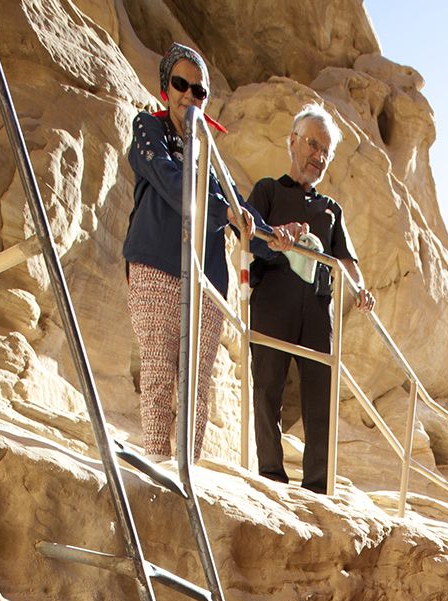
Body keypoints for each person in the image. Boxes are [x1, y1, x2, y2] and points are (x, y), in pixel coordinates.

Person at [122, 44, 299, 460]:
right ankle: (156, 464)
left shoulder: (209, 155)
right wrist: (232, 214)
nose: (190, 96)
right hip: (156, 265)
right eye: (181, 85)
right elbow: (173, 184)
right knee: (160, 372)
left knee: (197, 384)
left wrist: (277, 236)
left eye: (199, 91)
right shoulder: (149, 129)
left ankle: (188, 470)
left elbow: (240, 210)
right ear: (165, 88)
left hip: (206, 277)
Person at [245, 107, 375, 493]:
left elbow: (348, 261)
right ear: (293, 141)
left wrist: (361, 289)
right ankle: (270, 473)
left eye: (326, 152)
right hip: (273, 298)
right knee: (267, 386)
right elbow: (248, 234)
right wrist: (275, 235)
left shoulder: (331, 209)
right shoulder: (268, 190)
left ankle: (318, 485)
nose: (318, 156)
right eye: (313, 144)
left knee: (321, 392)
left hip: (319, 307)